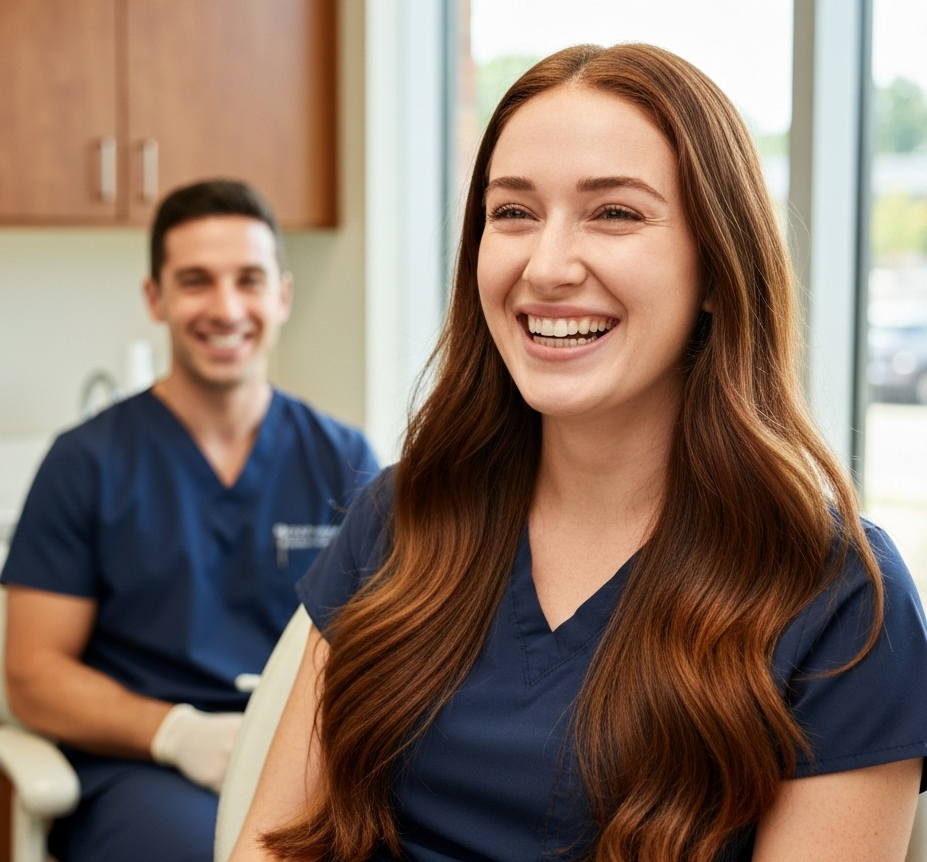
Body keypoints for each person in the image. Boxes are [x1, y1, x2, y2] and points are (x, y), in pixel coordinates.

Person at [232, 45, 927, 862]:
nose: (547, 266)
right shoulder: (401, 517)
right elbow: (273, 847)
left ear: (717, 268)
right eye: (513, 213)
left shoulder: (841, 601)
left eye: (615, 214)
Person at [0, 179, 379, 862]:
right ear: (156, 298)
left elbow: (383, 646)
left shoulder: (343, 460)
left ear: (282, 295)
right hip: (144, 768)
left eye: (249, 280)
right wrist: (176, 733)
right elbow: (32, 674)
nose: (226, 308)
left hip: (304, 757)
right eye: (196, 281)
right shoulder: (86, 462)